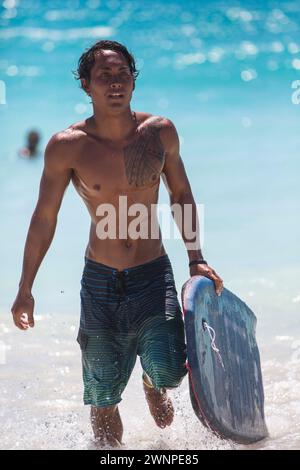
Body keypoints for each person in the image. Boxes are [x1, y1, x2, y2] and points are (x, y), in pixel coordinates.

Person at [11, 40, 223, 448]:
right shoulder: (67, 145)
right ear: (86, 86)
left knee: (170, 372)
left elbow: (181, 195)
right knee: (103, 395)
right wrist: (25, 288)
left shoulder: (159, 132)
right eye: (103, 77)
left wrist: (197, 259)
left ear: (133, 81)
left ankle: (150, 381)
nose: (114, 83)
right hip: (100, 283)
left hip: (152, 272)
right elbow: (44, 218)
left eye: (122, 74)